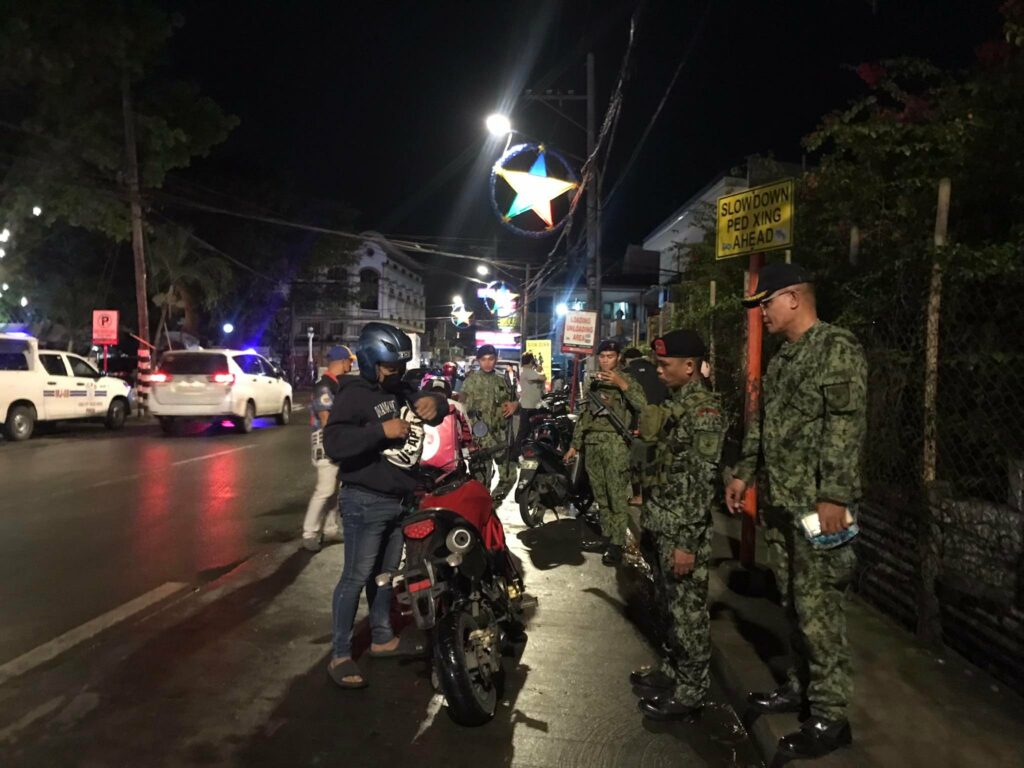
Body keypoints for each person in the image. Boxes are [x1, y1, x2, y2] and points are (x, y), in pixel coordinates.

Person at [724, 263, 867, 759]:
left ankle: (831, 715)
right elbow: (762, 425)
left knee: (820, 610)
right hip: (784, 505)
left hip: (819, 509)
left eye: (765, 303)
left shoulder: (836, 348)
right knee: (791, 601)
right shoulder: (785, 360)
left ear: (792, 298)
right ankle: (799, 685)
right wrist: (744, 473)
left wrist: (835, 496)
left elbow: (845, 427)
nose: (761, 313)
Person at [322, 322, 446, 690]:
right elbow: (335, 443)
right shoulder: (354, 394)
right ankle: (341, 654)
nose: (398, 374)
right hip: (365, 500)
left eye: (401, 367)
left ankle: (381, 635)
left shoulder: (402, 388)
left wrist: (434, 401)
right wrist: (380, 431)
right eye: (391, 367)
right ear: (370, 362)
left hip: (400, 501)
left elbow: (438, 399)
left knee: (385, 576)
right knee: (356, 577)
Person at [630, 329, 726, 721]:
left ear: (690, 367)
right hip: (662, 523)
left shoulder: (704, 412)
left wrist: (686, 542)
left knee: (688, 613)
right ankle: (673, 669)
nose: (658, 370)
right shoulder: (675, 402)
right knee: (669, 606)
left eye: (664, 364)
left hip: (682, 531)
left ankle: (692, 689)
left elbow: (702, 484)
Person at [564, 339, 646, 565]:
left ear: (618, 357)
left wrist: (622, 384)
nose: (606, 360)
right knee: (600, 494)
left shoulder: (627, 379)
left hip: (615, 444)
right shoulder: (593, 381)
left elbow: (643, 406)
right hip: (593, 443)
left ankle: (618, 543)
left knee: (616, 495)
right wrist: (575, 444)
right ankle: (609, 536)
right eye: (602, 357)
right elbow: (584, 414)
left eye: (610, 356)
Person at [302, 345, 353, 552]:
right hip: (326, 440)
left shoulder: (334, 384)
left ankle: (330, 529)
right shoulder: (325, 386)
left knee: (334, 489)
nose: (352, 364)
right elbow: (326, 419)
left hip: (334, 438)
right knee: (324, 489)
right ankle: (309, 533)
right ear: (341, 362)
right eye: (350, 360)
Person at [460, 344, 519, 508]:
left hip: (500, 437)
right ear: (479, 360)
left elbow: (513, 402)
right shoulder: (470, 382)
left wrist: (515, 404)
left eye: (491, 359)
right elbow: (461, 407)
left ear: (496, 359)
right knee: (481, 484)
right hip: (480, 440)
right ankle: (483, 514)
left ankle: (491, 506)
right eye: (484, 359)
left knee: (509, 477)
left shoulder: (502, 381)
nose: (487, 363)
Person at [622, 347, 669, 505]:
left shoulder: (626, 373)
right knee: (652, 461)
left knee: (634, 462)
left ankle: (637, 495)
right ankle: (649, 495)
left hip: (634, 423)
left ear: (628, 359)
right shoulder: (658, 372)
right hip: (657, 423)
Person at [516, 352, 546, 456]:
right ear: (530, 361)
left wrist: (537, 369)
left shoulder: (527, 371)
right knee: (524, 431)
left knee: (529, 431)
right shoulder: (527, 371)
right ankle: (516, 453)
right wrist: (538, 369)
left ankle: (522, 451)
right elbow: (542, 378)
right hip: (528, 406)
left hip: (531, 405)